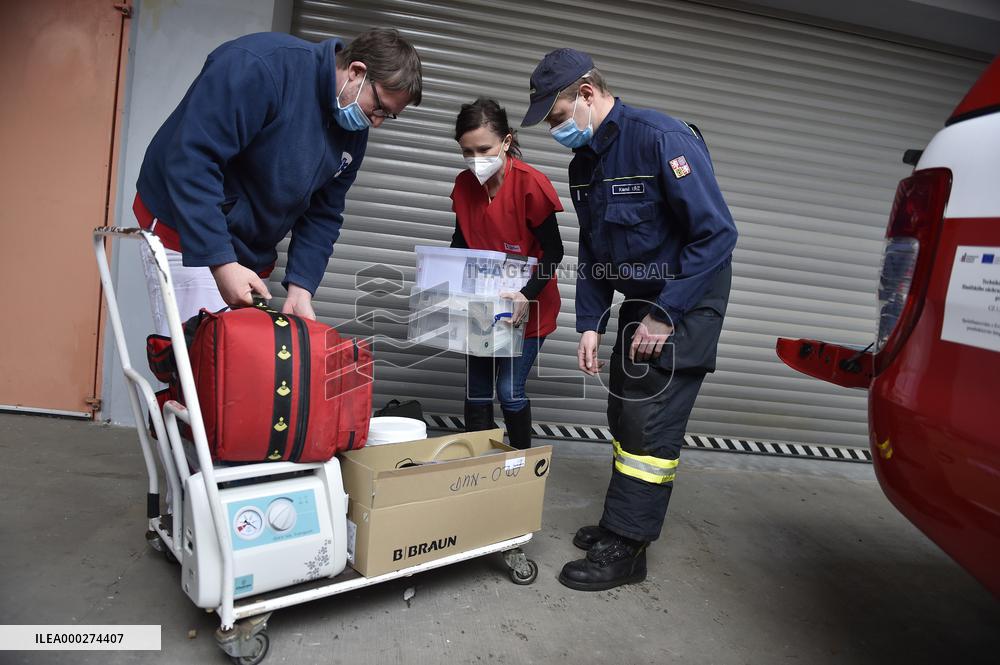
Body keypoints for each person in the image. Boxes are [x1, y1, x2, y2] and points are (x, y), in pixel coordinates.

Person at [521, 49, 738, 590]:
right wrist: (590, 322)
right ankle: (621, 519)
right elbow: (595, 252)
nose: (556, 130)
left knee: (649, 419)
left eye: (557, 116)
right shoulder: (586, 163)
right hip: (646, 302)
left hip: (686, 300)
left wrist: (665, 315)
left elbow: (716, 234)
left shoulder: (661, 139)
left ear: (588, 94)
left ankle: (629, 547)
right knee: (624, 411)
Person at [133, 28, 422, 332]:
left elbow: (323, 212)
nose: (375, 123)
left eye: (387, 117)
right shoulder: (261, 67)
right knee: (197, 366)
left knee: (234, 366)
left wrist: (301, 287)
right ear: (356, 71)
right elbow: (194, 160)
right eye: (378, 108)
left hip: (246, 252)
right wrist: (221, 261)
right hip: (186, 230)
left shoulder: (353, 132)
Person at [449, 99, 565, 449]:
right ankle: (479, 463)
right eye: (467, 152)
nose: (475, 160)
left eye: (483, 149)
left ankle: (520, 463)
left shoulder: (531, 185)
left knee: (509, 391)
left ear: (507, 142)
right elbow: (460, 240)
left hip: (525, 305)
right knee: (478, 390)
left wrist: (527, 295)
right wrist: (445, 285)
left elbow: (554, 251)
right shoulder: (464, 185)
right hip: (481, 302)